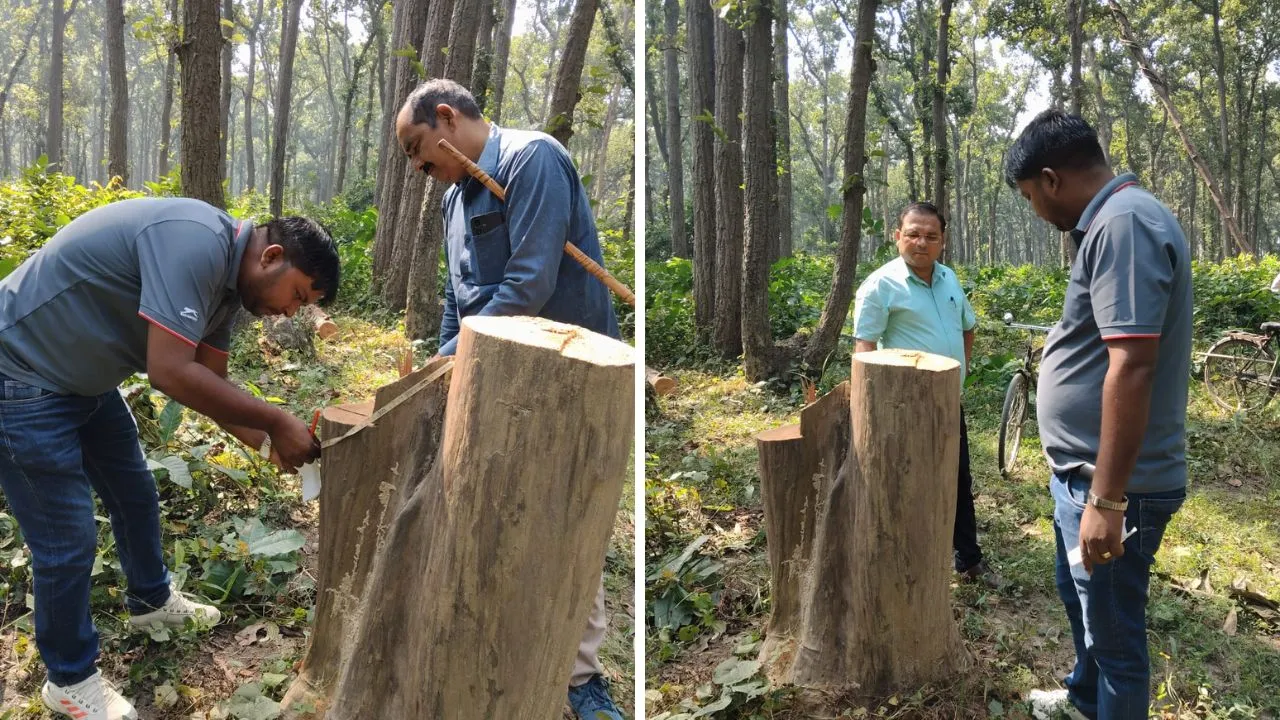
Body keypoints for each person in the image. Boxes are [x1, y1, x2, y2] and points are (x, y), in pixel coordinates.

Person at [0, 198, 339, 720]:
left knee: (134, 491)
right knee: (66, 538)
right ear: (271, 255)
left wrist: (275, 448)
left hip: (82, 382)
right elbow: (171, 372)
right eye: (296, 296)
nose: (290, 313)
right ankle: (68, 678)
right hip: (21, 374)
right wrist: (275, 419)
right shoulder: (194, 240)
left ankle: (151, 602)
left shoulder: (227, 291)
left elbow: (209, 386)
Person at [394, 78, 624, 720]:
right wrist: (444, 359)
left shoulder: (533, 159)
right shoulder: (453, 199)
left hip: (565, 379)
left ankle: (579, 679)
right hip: (490, 377)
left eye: (418, 149)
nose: (418, 168)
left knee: (566, 514)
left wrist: (462, 351)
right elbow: (457, 294)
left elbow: (527, 282)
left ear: (446, 118)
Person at [1006, 110, 1192, 720]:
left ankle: (1103, 698)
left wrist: (1107, 503)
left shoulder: (1125, 224)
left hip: (1117, 489)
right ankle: (1084, 702)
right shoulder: (1113, 223)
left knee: (1114, 637)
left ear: (1052, 179)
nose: (1037, 210)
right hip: (1084, 478)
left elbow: (1132, 366)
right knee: (1083, 601)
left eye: (1032, 195)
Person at [852, 201, 999, 588]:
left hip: (948, 399)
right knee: (906, 481)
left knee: (956, 476)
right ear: (897, 236)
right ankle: (902, 563)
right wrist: (872, 406)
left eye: (931, 236)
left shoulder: (949, 278)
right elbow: (864, 349)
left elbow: (968, 326)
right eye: (913, 234)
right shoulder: (880, 286)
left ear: (943, 241)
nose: (922, 243)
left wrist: (960, 374)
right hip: (903, 405)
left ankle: (967, 561)